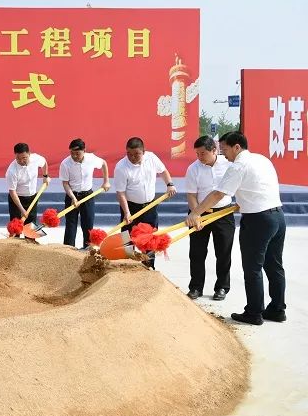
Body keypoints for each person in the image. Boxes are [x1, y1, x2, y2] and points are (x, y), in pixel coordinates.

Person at [187, 131, 286, 325]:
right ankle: (277, 309)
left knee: (252, 268)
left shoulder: (238, 165)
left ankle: (254, 313)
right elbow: (256, 187)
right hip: (277, 217)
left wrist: (195, 213)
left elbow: (218, 194)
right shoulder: (262, 159)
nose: (224, 154)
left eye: (224, 150)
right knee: (274, 266)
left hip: (257, 220)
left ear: (237, 147)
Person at [184, 135, 235, 301]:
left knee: (224, 252)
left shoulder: (228, 164)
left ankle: (222, 287)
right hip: (199, 213)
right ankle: (196, 287)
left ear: (214, 150)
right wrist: (196, 215)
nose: (199, 157)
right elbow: (191, 195)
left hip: (223, 213)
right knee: (196, 253)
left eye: (203, 153)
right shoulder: (193, 168)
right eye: (197, 154)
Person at [113, 136, 177, 269]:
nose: (132, 157)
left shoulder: (151, 158)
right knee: (127, 238)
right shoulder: (121, 167)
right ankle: (127, 266)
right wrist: (127, 212)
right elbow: (120, 192)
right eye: (129, 154)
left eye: (136, 154)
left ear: (144, 151)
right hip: (131, 207)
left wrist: (170, 184)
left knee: (150, 238)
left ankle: (149, 266)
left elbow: (163, 171)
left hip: (150, 206)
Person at [59, 138, 110, 249]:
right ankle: (68, 250)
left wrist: (106, 181)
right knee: (71, 225)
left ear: (84, 151)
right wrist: (73, 197)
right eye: (72, 153)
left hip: (88, 196)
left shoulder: (91, 158)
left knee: (88, 225)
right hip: (72, 196)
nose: (74, 156)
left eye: (77, 153)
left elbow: (103, 164)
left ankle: (88, 249)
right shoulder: (65, 163)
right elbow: (65, 183)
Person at [5, 143, 49, 237]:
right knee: (16, 226)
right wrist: (22, 209)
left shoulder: (36, 158)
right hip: (17, 199)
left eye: (24, 158)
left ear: (29, 154)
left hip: (32, 197)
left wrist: (45, 176)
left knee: (31, 225)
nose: (21, 161)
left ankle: (31, 242)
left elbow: (44, 162)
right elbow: (12, 192)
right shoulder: (11, 171)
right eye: (18, 158)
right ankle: (14, 243)